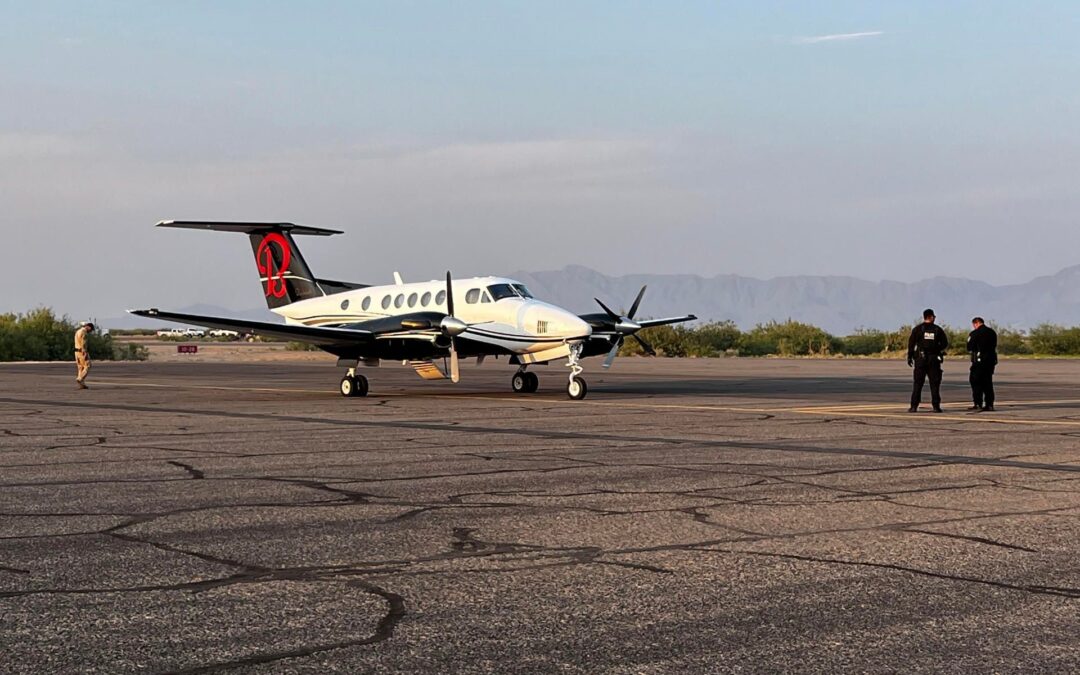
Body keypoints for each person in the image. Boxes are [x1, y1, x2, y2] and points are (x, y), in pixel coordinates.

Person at [907, 309, 948, 413]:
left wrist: (910, 356)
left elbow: (911, 344)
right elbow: (944, 344)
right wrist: (937, 349)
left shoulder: (917, 329)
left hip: (920, 359)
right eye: (933, 316)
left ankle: (914, 406)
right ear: (931, 317)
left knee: (918, 383)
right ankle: (936, 406)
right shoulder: (938, 329)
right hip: (933, 359)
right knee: (934, 384)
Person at [967, 317, 998, 412]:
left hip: (979, 362)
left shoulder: (974, 333)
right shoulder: (992, 332)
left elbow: (969, 347)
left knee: (975, 381)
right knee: (988, 382)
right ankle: (989, 404)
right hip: (990, 361)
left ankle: (978, 403)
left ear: (975, 323)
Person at [74, 322, 94, 389]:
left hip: (76, 351)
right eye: (90, 330)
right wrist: (85, 352)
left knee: (80, 367)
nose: (90, 331)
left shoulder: (78, 331)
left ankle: (81, 384)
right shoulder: (83, 332)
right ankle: (80, 378)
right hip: (81, 351)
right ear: (88, 327)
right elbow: (83, 343)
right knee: (88, 365)